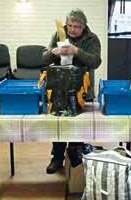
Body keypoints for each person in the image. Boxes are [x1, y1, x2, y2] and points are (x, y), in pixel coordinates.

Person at [42, 9, 102, 174]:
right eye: (70, 25)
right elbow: (44, 58)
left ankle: (76, 158)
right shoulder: (58, 34)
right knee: (58, 123)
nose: (72, 29)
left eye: (77, 26)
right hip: (59, 88)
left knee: (78, 125)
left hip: (82, 89)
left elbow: (96, 61)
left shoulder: (92, 38)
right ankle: (57, 157)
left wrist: (77, 51)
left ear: (84, 27)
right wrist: (53, 52)